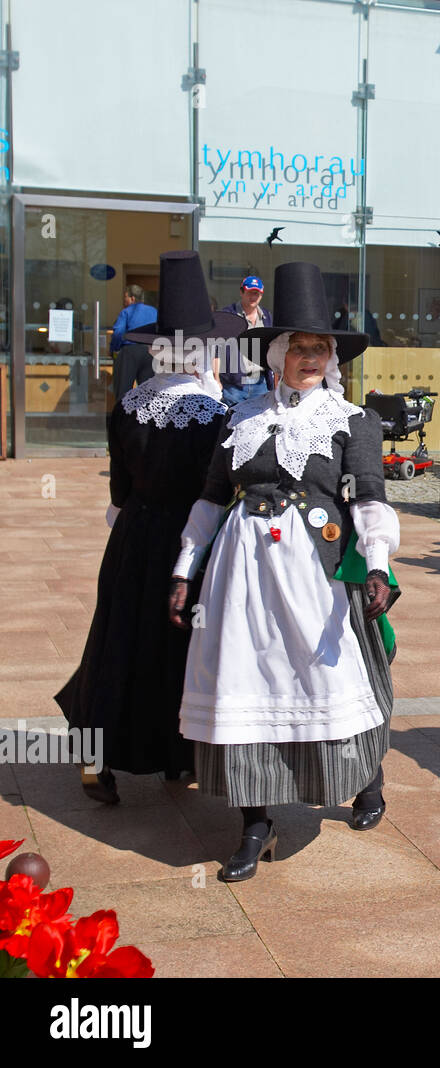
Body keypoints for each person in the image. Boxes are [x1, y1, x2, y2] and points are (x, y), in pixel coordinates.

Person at [168, 261, 401, 883]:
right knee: (244, 687)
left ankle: (366, 780)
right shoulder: (240, 419)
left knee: (332, 684)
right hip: (242, 575)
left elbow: (370, 501)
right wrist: (185, 569)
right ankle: (255, 822)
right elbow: (212, 500)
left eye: (320, 348)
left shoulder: (353, 422)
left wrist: (377, 566)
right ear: (275, 353)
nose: (310, 358)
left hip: (316, 573)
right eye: (298, 347)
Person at [56, 252, 244, 803]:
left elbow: (118, 491)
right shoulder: (216, 416)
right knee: (178, 648)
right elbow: (219, 493)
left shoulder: (129, 407)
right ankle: (172, 755)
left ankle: (97, 761)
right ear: (204, 351)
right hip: (190, 545)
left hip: (133, 537)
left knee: (116, 641)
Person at [219, 275, 273, 407]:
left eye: (257, 293)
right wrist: (216, 379)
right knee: (230, 422)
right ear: (241, 292)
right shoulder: (228, 314)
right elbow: (216, 349)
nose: (254, 297)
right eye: (250, 293)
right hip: (234, 385)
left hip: (260, 382)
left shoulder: (266, 316)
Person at [109, 284, 156, 353]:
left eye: (125, 297)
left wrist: (113, 349)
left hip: (131, 352)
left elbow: (117, 334)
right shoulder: (154, 311)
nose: (124, 300)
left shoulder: (126, 312)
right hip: (152, 352)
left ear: (132, 299)